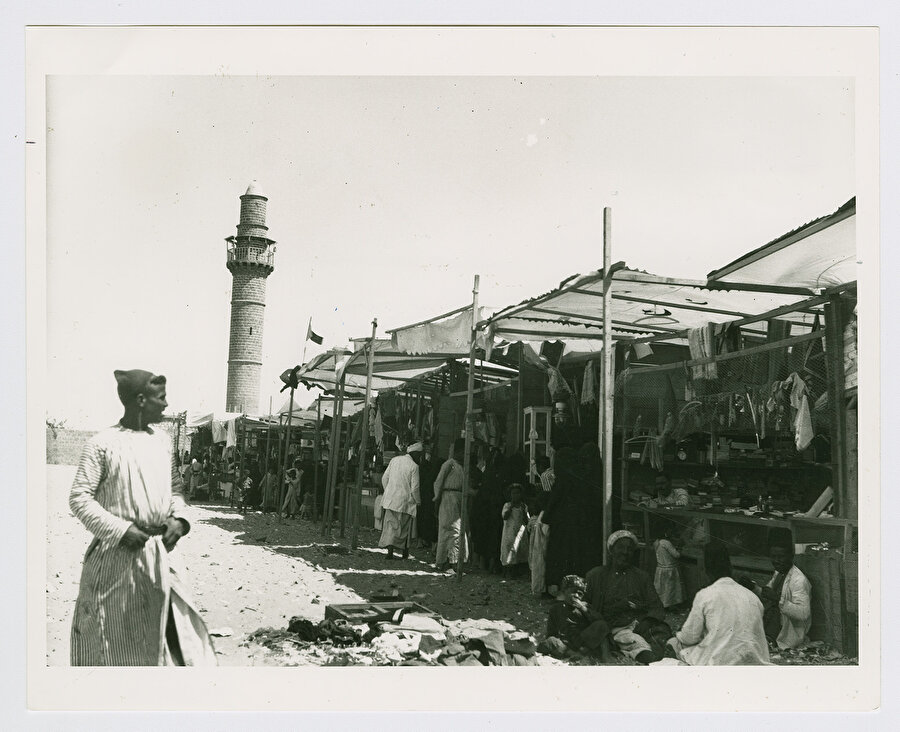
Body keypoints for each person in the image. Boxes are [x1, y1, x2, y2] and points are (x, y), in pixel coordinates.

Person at [69, 369, 216, 666]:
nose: (166, 404)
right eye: (160, 398)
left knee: (173, 638)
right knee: (113, 644)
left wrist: (179, 520)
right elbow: (79, 498)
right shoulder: (102, 444)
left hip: (161, 556)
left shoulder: (162, 442)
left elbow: (175, 488)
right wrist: (121, 530)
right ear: (140, 400)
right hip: (115, 560)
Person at [670, 541, 770, 665]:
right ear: (730, 567)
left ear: (706, 569)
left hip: (720, 663)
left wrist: (678, 634)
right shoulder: (752, 597)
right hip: (753, 661)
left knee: (674, 643)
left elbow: (689, 637)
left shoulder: (705, 595)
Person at [584, 530, 665, 664]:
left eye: (630, 549)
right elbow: (585, 606)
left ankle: (649, 651)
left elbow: (656, 606)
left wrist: (646, 622)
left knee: (662, 633)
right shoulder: (595, 576)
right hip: (609, 628)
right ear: (611, 550)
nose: (625, 552)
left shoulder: (641, 577)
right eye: (620, 547)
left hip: (637, 625)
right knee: (636, 644)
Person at [745, 537, 812, 649]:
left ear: (791, 556)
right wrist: (753, 587)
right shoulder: (779, 573)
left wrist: (778, 599)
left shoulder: (799, 581)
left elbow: (803, 613)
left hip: (788, 635)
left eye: (781, 557)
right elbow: (767, 594)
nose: (776, 561)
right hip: (772, 626)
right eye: (773, 556)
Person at [544, 447, 593, 594]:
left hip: (561, 526)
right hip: (578, 525)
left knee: (560, 555)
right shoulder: (582, 480)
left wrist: (546, 518)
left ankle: (560, 587)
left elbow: (552, 503)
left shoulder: (561, 481)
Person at [543, 575, 609, 658]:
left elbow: (598, 621)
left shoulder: (585, 606)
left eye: (580, 594)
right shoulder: (555, 609)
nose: (577, 596)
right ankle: (575, 654)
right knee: (550, 641)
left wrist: (583, 608)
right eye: (573, 592)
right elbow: (551, 632)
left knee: (602, 625)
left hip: (583, 641)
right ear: (564, 591)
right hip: (566, 643)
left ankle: (582, 653)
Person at [379, 442, 423, 560]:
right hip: (405, 502)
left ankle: (390, 552)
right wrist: (418, 501)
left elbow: (384, 478)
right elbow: (415, 488)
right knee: (404, 528)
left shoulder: (394, 460)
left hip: (390, 500)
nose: (420, 458)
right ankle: (404, 552)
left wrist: (389, 491)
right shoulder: (414, 466)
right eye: (419, 455)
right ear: (415, 453)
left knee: (390, 526)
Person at [433, 438, 469, 571]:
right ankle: (448, 562)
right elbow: (438, 482)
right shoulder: (449, 464)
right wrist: (437, 499)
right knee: (452, 530)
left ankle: (451, 561)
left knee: (457, 530)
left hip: (458, 500)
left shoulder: (461, 467)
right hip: (448, 499)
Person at [500, 483, 530, 577]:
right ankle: (509, 572)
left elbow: (527, 520)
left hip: (520, 532)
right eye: (513, 493)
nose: (515, 495)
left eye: (518, 493)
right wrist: (511, 507)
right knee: (509, 550)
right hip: (509, 532)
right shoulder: (507, 505)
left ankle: (518, 571)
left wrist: (524, 511)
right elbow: (505, 517)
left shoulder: (524, 506)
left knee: (520, 551)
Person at [653, 523, 684, 609]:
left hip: (660, 568)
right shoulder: (666, 543)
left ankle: (662, 604)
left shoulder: (656, 542)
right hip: (669, 569)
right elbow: (676, 555)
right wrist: (680, 547)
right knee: (670, 589)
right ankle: (670, 606)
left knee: (662, 589)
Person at [416, 445, 439, 551]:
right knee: (427, 518)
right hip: (428, 495)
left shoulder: (422, 467)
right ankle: (428, 541)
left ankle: (422, 540)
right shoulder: (431, 467)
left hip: (425, 494)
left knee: (423, 517)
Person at [528, 492, 551, 596]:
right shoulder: (545, 514)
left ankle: (540, 589)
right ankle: (542, 590)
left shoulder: (542, 514)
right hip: (543, 544)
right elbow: (546, 531)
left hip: (539, 545)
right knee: (542, 568)